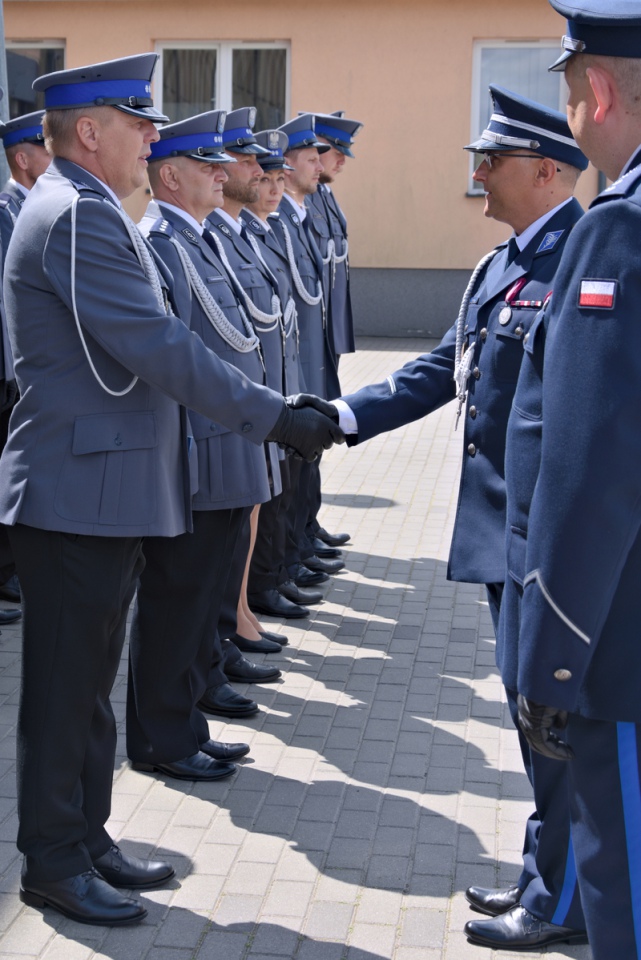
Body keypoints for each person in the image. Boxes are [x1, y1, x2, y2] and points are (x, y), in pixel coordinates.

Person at [0, 53, 342, 927]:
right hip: (77, 491)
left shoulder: (94, 210)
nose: (154, 137)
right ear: (89, 131)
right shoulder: (76, 216)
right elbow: (160, 347)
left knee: (90, 687)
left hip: (101, 486)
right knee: (64, 690)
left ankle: (87, 838)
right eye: (138, 122)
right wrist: (274, 417)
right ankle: (53, 859)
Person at [294, 87, 589, 952]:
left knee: (555, 727)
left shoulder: (583, 255)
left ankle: (562, 903)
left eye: (489, 162)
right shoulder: (501, 265)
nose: (475, 173)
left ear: (546, 171)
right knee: (530, 723)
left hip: (549, 548)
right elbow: (438, 369)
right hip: (503, 538)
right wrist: (342, 417)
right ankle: (545, 875)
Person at [496, 4, 641, 958]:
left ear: (594, 91)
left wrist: (550, 661)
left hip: (618, 644)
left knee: (625, 892)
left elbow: (591, 471)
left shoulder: (615, 234)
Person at [126, 109, 277, 782]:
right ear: (169, 175)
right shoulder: (161, 243)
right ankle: (161, 738)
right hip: (194, 451)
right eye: (208, 167)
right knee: (175, 600)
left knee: (201, 599)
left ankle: (186, 722)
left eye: (223, 166)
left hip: (227, 443)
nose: (224, 177)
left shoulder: (204, 239)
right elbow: (171, 357)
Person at [0, 111, 51, 618]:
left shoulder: (39, 210)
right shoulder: (4, 212)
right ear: (21, 157)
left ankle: (9, 568)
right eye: (43, 147)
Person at [304, 111, 362, 360]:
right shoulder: (300, 197)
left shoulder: (326, 195)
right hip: (310, 328)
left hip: (329, 327)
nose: (343, 162)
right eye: (338, 153)